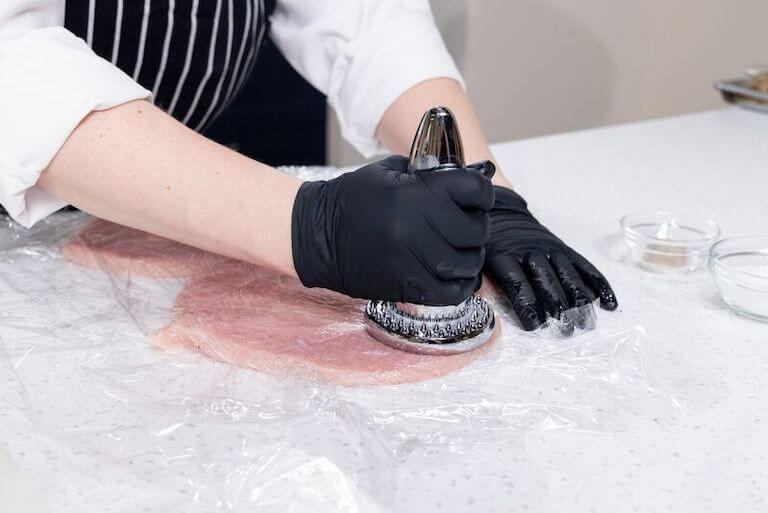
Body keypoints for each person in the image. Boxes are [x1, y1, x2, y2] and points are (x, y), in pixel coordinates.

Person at [0, 0, 616, 332]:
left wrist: (487, 189)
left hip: (166, 197)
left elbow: (366, 17)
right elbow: (12, 66)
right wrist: (309, 223)